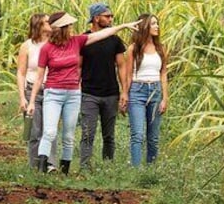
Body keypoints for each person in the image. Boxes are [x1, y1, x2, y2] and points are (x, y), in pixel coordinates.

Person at [26, 12, 140, 175]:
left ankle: (64, 170)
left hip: (73, 94)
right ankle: (42, 168)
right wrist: (31, 102)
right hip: (53, 93)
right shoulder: (47, 48)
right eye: (69, 26)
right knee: (50, 132)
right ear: (62, 28)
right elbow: (39, 78)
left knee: (69, 135)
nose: (72, 28)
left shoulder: (77, 41)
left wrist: (122, 26)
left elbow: (102, 34)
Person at [79, 2, 127, 170]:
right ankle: (85, 167)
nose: (111, 19)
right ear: (96, 18)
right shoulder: (84, 39)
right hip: (89, 93)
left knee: (109, 135)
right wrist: (76, 89)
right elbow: (78, 66)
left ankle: (108, 166)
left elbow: (121, 65)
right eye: (107, 16)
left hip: (110, 93)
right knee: (87, 133)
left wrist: (124, 92)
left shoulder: (115, 40)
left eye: (111, 16)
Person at [121, 13, 169, 166]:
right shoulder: (133, 49)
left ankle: (151, 169)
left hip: (155, 90)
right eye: (153, 24)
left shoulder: (160, 48)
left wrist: (165, 98)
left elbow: (163, 73)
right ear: (144, 26)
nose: (157, 27)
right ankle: (136, 170)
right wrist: (125, 95)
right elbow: (128, 75)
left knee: (153, 136)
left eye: (157, 23)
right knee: (138, 134)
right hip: (137, 90)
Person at [16, 13, 58, 171]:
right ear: (39, 25)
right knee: (35, 131)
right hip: (32, 89)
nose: (51, 24)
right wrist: (22, 97)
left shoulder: (55, 43)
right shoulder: (27, 46)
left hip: (51, 89)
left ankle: (50, 164)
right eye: (48, 22)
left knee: (50, 129)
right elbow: (21, 72)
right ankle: (34, 165)